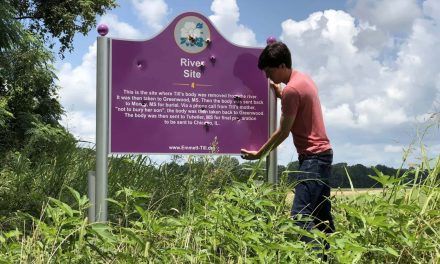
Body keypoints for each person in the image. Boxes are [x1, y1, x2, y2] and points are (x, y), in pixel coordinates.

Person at [240, 41, 335, 248]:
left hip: (313, 158)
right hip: (324, 155)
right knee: (320, 215)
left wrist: (259, 154)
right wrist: (281, 91)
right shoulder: (304, 79)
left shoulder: (292, 90)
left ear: (282, 66)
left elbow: (283, 131)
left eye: (269, 71)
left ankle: (315, 258)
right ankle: (332, 255)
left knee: (299, 216)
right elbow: (299, 100)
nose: (267, 77)